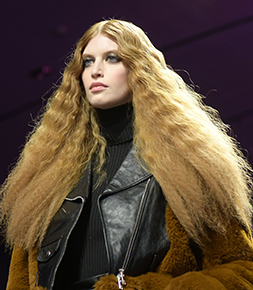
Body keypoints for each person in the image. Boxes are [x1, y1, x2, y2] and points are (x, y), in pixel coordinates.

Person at [1, 19, 253, 290]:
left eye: (112, 58)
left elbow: (241, 271)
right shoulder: (48, 174)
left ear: (140, 69)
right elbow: (20, 281)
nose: (96, 70)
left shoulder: (190, 165)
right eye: (87, 62)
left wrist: (142, 288)